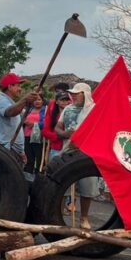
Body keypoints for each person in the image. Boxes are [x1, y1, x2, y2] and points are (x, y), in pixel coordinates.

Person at [54, 82, 97, 229]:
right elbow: (58, 127)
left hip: (87, 153)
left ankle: (84, 217)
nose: (72, 96)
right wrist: (65, 134)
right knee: (61, 184)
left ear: (85, 94)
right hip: (68, 151)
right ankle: (57, 216)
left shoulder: (94, 110)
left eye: (76, 93)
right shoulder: (67, 109)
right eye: (72, 93)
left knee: (87, 186)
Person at [0, 73, 39, 164]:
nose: (20, 89)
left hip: (12, 150)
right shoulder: (1, 100)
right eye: (18, 86)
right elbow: (10, 112)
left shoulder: (9, 102)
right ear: (9, 87)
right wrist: (25, 100)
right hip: (6, 150)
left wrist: (21, 152)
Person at [42, 91, 72, 160]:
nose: (65, 102)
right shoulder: (52, 116)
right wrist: (59, 136)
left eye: (67, 100)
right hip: (56, 148)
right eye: (62, 100)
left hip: (69, 148)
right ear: (56, 102)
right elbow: (45, 131)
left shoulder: (73, 115)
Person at [24, 96, 46, 174]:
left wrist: (33, 124)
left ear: (42, 101)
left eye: (39, 99)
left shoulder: (45, 110)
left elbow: (46, 123)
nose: (37, 101)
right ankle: (28, 177)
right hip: (27, 136)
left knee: (40, 159)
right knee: (29, 159)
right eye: (35, 100)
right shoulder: (28, 110)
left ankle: (39, 177)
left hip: (39, 138)